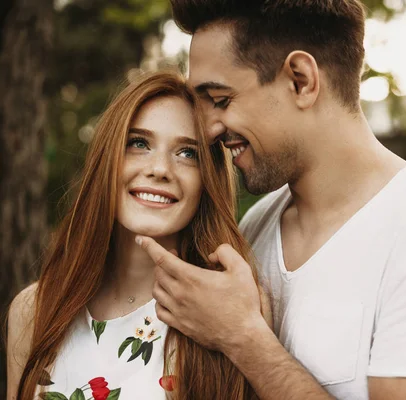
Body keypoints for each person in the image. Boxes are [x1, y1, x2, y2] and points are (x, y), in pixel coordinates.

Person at [137, 1, 406, 399]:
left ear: (301, 80)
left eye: (220, 99)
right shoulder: (254, 229)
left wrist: (243, 339)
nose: (209, 128)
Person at [7, 71, 270, 400]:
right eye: (139, 143)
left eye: (187, 153)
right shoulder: (33, 309)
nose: (160, 169)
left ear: (208, 181)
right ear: (108, 159)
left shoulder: (237, 308)